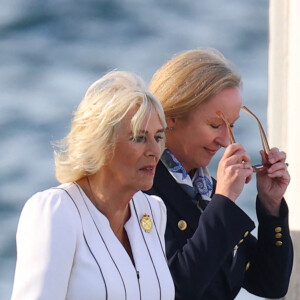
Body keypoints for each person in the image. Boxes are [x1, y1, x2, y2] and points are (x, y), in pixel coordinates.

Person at [11, 70, 175, 300]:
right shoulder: (56, 212)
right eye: (139, 137)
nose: (155, 150)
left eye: (158, 137)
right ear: (102, 143)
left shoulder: (152, 211)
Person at [145, 48, 293, 300]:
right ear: (171, 119)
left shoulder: (204, 189)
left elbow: (270, 283)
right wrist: (223, 201)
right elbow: (177, 290)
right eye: (215, 125)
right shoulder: (142, 187)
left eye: (232, 125)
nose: (226, 141)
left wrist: (271, 205)